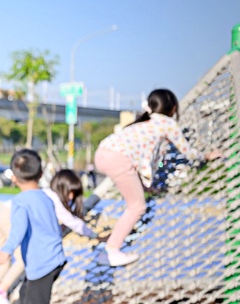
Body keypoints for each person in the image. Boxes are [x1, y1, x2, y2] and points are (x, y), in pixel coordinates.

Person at [94, 89, 221, 267]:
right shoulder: (168, 123)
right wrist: (206, 156)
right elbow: (188, 152)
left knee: (135, 201)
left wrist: (146, 187)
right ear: (173, 108)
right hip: (119, 159)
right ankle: (111, 251)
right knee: (137, 206)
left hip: (102, 154)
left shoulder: (143, 121)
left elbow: (140, 160)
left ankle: (108, 251)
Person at [0, 169, 100, 304]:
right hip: (9, 216)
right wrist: (93, 235)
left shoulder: (41, 193)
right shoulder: (50, 197)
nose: (70, 197)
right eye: (70, 192)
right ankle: (0, 291)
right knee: (21, 259)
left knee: (4, 263)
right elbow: (72, 222)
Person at [0, 149, 67, 304]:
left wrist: (6, 250)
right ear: (41, 174)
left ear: (13, 177)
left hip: (42, 263)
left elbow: (18, 229)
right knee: (25, 294)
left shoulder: (21, 201)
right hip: (53, 258)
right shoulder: (46, 197)